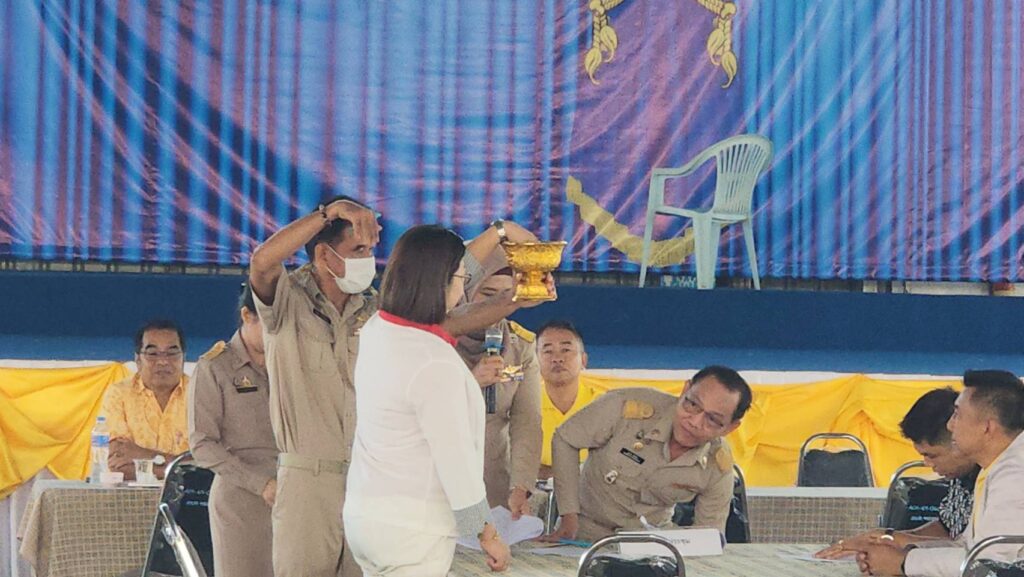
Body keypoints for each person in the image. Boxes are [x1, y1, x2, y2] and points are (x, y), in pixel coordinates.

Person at [249, 196, 547, 577]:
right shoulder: (289, 302)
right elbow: (262, 262)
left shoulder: (379, 319)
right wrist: (329, 213)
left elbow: (446, 284)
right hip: (313, 484)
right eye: (358, 250)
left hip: (366, 487)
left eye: (372, 251)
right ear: (324, 255)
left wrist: (511, 284)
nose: (367, 260)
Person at [343, 225, 511, 576]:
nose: (463, 289)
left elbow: (445, 277)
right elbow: (455, 459)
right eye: (461, 279)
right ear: (440, 283)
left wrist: (502, 243)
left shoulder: (378, 329)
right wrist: (486, 532)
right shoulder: (433, 361)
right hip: (412, 529)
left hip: (365, 517)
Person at [546, 366, 751, 542]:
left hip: (653, 543)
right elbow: (566, 439)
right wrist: (568, 515)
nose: (695, 422)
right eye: (693, 404)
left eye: (712, 420)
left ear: (730, 428)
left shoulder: (718, 464)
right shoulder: (626, 406)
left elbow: (708, 537)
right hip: (583, 533)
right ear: (684, 390)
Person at [857, 370, 1024, 577]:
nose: (950, 425)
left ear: (987, 427)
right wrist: (902, 551)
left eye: (957, 415)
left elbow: (987, 566)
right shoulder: (996, 467)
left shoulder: (1015, 475)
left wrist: (903, 562)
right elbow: (966, 546)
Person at [816, 388, 979, 559]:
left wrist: (891, 543)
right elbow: (946, 529)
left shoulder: (992, 482)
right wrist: (883, 538)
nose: (927, 464)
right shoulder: (961, 476)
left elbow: (965, 549)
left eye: (932, 455)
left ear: (959, 441)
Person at [188, 284, 278, 577]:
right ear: (247, 316)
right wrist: (260, 483)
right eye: (270, 323)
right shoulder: (215, 366)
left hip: (295, 495)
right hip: (241, 501)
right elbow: (202, 444)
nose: (278, 332)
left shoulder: (289, 362)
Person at [455, 267, 542, 518]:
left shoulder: (520, 345)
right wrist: (471, 382)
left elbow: (527, 421)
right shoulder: (436, 340)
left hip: (493, 480)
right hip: (441, 477)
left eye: (507, 295)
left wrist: (521, 486)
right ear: (464, 294)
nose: (498, 305)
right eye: (488, 294)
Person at [101, 319, 189, 481]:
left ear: (184, 357)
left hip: (189, 494)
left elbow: (210, 465)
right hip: (132, 495)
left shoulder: (200, 394)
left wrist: (142, 454)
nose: (163, 361)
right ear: (138, 359)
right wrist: (181, 468)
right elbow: (118, 466)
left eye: (172, 353)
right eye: (152, 353)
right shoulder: (119, 394)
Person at [535, 320, 596, 480]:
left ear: (583, 360)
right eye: (548, 351)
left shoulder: (603, 404)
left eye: (566, 350)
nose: (557, 358)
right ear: (534, 362)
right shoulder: (523, 405)